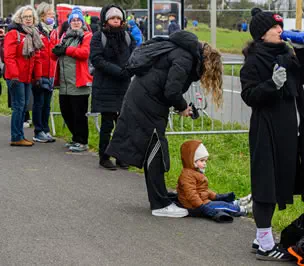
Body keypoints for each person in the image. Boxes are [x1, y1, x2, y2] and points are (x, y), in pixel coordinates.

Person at [105, 30, 223, 218]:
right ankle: (159, 204)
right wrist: (183, 107)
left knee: (153, 151)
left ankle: (160, 196)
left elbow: (166, 86)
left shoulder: (179, 51)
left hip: (145, 100)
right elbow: (171, 91)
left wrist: (180, 105)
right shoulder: (185, 58)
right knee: (156, 152)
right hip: (147, 105)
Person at [240, 8, 304, 261]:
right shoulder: (254, 60)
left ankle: (260, 236)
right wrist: (271, 86)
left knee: (279, 182)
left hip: (288, 129)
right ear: (262, 34)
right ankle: (265, 243)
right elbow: (249, 96)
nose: (280, 30)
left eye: (280, 26)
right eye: (275, 27)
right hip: (266, 128)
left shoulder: (287, 53)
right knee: (266, 183)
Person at [90, 5, 136, 170]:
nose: (116, 21)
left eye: (118, 18)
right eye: (112, 18)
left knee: (123, 124)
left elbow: (134, 56)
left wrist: (128, 71)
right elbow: (96, 59)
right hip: (105, 85)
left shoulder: (128, 37)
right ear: (106, 20)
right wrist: (118, 71)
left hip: (124, 85)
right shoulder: (98, 37)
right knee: (107, 123)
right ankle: (104, 156)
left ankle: (121, 156)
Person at [176, 140, 252, 220]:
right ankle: (245, 209)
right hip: (195, 206)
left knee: (222, 202)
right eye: (201, 160)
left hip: (202, 201)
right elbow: (191, 195)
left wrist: (216, 196)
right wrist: (202, 207)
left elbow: (203, 190)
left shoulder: (194, 172)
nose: (205, 163)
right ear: (191, 161)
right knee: (223, 206)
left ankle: (238, 202)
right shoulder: (187, 176)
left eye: (205, 160)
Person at [51, 7, 92, 152]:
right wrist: (55, 51)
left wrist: (66, 50)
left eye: (78, 20)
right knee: (66, 112)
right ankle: (75, 138)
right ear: (69, 22)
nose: (75, 22)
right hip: (64, 83)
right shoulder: (65, 36)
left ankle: (82, 141)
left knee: (79, 114)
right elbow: (56, 56)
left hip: (79, 82)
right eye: (73, 20)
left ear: (82, 22)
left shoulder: (87, 36)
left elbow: (84, 53)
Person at [4, 5, 43, 147]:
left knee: (24, 105)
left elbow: (37, 57)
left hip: (27, 77)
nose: (28, 19)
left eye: (30, 17)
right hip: (15, 77)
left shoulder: (33, 34)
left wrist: (37, 77)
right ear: (20, 18)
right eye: (25, 17)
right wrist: (14, 75)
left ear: (34, 19)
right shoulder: (13, 34)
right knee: (18, 106)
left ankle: (19, 135)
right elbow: (9, 57)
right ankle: (16, 136)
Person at [33, 2, 57, 143]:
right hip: (40, 73)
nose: (52, 16)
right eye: (49, 14)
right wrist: (37, 75)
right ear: (42, 16)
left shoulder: (53, 30)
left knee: (47, 104)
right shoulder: (37, 31)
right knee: (39, 103)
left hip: (51, 73)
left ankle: (45, 129)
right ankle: (38, 130)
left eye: (53, 14)